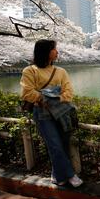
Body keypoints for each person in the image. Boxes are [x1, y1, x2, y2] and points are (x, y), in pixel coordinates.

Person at [20, 39, 83, 188]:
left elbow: (69, 93)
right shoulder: (30, 71)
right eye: (54, 49)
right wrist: (50, 95)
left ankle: (57, 175)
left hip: (61, 111)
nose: (57, 52)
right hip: (42, 113)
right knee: (54, 144)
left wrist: (48, 97)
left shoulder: (61, 71)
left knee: (63, 143)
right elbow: (27, 92)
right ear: (45, 51)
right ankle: (70, 175)